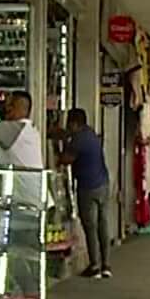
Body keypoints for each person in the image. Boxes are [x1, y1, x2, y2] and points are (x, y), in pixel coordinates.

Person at [0, 91, 45, 294]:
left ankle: (28, 298)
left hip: (23, 205)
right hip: (33, 203)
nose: (6, 109)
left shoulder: (15, 128)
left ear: (20, 109)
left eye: (10, 106)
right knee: (27, 256)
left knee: (16, 256)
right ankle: (31, 297)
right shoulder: (30, 130)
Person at [58, 108, 111, 278]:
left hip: (88, 187)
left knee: (90, 226)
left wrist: (61, 147)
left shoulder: (78, 139)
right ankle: (106, 264)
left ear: (74, 123)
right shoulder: (91, 135)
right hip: (103, 183)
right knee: (103, 224)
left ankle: (94, 265)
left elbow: (65, 160)